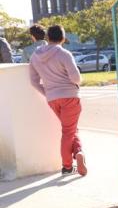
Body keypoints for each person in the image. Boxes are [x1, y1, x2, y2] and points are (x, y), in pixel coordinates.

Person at [29, 25, 87, 176]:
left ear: (47, 38)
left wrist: (49, 93)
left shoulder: (35, 56)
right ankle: (67, 166)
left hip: (52, 99)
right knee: (68, 131)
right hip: (70, 97)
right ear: (62, 37)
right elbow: (75, 78)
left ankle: (79, 152)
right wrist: (80, 81)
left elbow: (34, 82)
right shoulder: (64, 54)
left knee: (71, 129)